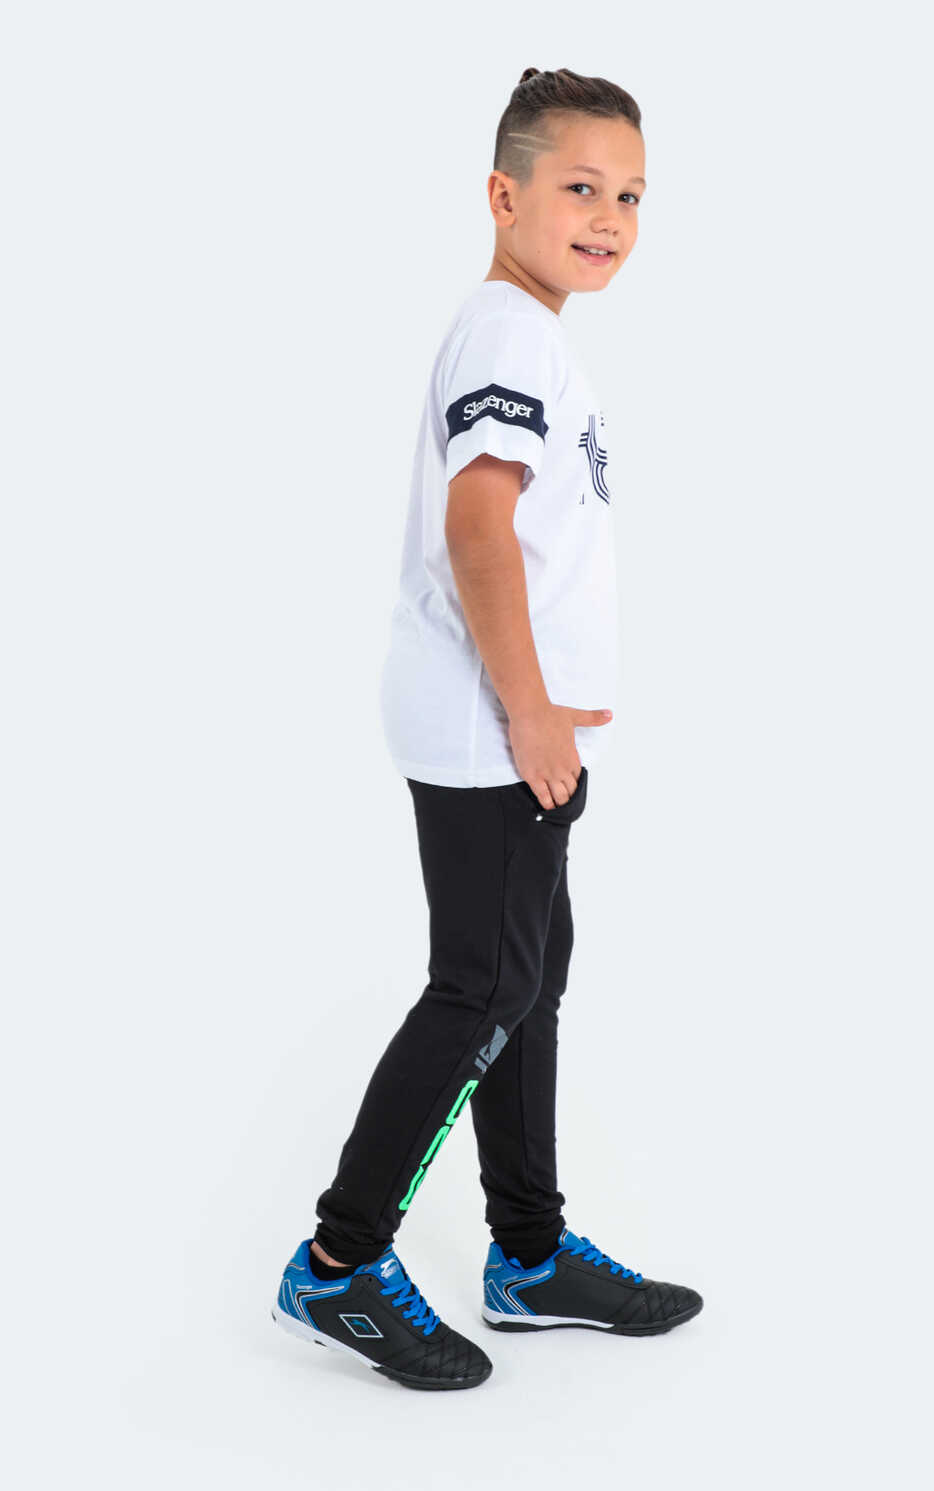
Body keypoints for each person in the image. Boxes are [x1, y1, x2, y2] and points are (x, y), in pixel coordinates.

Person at [272, 66, 702, 1392]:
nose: (610, 217)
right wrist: (527, 711)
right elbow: (478, 530)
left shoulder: (528, 332)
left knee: (527, 981)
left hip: (516, 731)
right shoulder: (511, 334)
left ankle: (528, 1254)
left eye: (631, 194)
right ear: (504, 197)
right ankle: (338, 1264)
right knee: (481, 990)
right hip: (490, 732)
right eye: (579, 187)